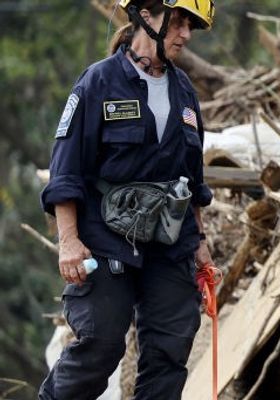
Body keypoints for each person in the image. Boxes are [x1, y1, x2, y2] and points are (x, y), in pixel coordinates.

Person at [39, 1, 216, 399]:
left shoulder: (184, 91)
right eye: (178, 22)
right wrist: (69, 241)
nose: (185, 35)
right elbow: (65, 171)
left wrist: (200, 243)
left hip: (169, 245)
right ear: (146, 15)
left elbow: (194, 180)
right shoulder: (97, 83)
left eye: (191, 26)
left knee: (169, 354)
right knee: (101, 344)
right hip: (104, 239)